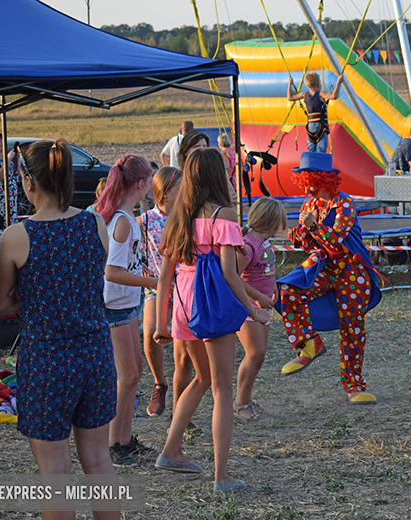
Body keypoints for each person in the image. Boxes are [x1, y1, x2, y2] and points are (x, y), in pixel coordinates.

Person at [0, 139, 120, 520]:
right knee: (98, 462)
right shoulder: (94, 222)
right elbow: (87, 284)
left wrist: (31, 300)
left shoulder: (15, 237)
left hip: (47, 360)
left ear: (29, 183)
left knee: (55, 472)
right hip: (95, 354)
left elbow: (3, 304)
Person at [153, 148, 269, 492]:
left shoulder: (178, 217)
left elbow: (164, 276)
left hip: (183, 307)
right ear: (219, 175)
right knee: (221, 388)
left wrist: (161, 323)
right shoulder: (225, 215)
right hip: (212, 306)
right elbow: (230, 274)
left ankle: (172, 449)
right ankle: (222, 476)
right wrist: (254, 310)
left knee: (200, 378)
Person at [276, 152, 382, 403]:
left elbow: (335, 241)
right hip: (324, 266)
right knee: (288, 290)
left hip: (351, 270)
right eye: (305, 182)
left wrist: (313, 227)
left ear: (325, 180)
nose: (309, 188)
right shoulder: (310, 204)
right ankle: (309, 343)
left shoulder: (344, 203)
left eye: (313, 182)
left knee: (352, 328)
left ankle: (354, 385)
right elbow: (306, 242)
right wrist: (288, 232)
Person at [94, 155, 158, 467]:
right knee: (127, 375)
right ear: (141, 184)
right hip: (115, 306)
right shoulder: (121, 221)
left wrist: (143, 270)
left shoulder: (125, 217)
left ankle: (125, 439)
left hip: (126, 303)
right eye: (150, 181)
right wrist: (154, 281)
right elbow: (112, 271)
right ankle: (113, 445)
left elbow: (125, 263)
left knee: (134, 374)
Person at [139, 166, 193, 418]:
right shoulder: (146, 220)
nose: (185, 191)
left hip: (183, 288)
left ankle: (181, 412)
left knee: (184, 356)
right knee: (150, 334)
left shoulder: (188, 217)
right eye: (180, 187)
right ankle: (160, 383)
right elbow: (124, 244)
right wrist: (138, 266)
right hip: (156, 287)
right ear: (165, 192)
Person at [233, 197, 287, 422]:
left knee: (259, 354)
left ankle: (245, 399)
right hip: (248, 308)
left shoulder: (264, 242)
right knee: (254, 354)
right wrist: (257, 297)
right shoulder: (246, 246)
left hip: (263, 305)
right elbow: (232, 277)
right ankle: (240, 403)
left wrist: (273, 286)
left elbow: (266, 268)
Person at [287, 72, 344, 153]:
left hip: (310, 127)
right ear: (318, 84)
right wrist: (339, 82)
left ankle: (311, 164)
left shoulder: (304, 94)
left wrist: (290, 83)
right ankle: (319, 164)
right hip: (320, 126)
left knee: (311, 150)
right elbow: (334, 96)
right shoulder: (321, 94)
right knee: (320, 150)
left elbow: (290, 97)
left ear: (307, 85)